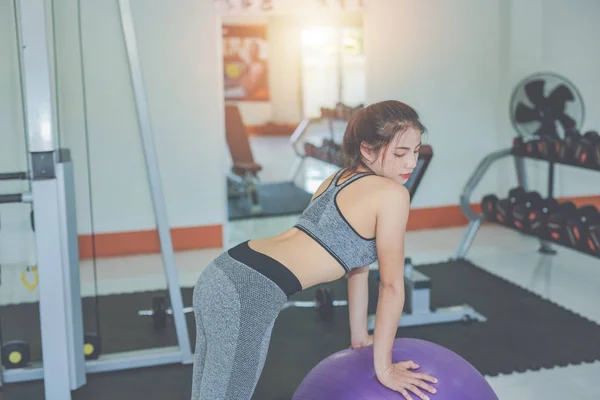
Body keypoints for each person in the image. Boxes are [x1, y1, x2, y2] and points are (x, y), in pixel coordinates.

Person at [191, 100, 439, 400]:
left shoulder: (336, 179)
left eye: (415, 152)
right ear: (367, 150)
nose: (411, 163)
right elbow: (391, 287)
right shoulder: (393, 195)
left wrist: (360, 337)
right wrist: (384, 369)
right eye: (401, 153)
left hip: (225, 269)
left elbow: (357, 266)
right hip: (249, 292)